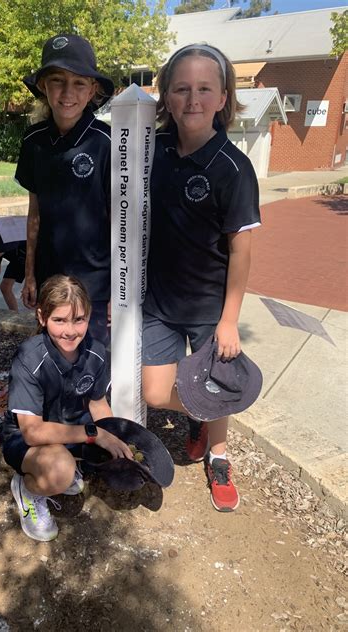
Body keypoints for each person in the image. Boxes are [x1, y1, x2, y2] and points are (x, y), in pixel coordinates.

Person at [142, 44, 261, 512]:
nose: (193, 98)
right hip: (158, 305)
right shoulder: (154, 151)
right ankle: (200, 411)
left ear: (223, 97)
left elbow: (242, 251)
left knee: (217, 386)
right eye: (182, 88)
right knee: (156, 392)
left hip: (210, 309)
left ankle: (218, 454)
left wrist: (230, 320)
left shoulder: (233, 169)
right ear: (167, 97)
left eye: (204, 89)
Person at [0, 275, 133, 541]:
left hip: (72, 426)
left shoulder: (95, 353)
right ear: (41, 317)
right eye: (59, 320)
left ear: (89, 316)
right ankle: (28, 489)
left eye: (78, 319)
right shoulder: (29, 358)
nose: (70, 331)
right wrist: (95, 434)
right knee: (60, 471)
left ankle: (69, 464)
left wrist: (113, 437)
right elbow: (33, 433)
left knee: (111, 452)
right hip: (25, 437)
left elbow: (97, 403)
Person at [15, 34, 114, 345]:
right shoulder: (33, 142)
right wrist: (30, 274)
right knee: (53, 367)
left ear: (93, 90)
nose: (68, 92)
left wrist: (118, 290)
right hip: (49, 283)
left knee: (93, 371)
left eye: (79, 83)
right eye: (57, 81)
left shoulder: (107, 142)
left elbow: (121, 221)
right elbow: (34, 216)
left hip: (96, 287)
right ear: (44, 86)